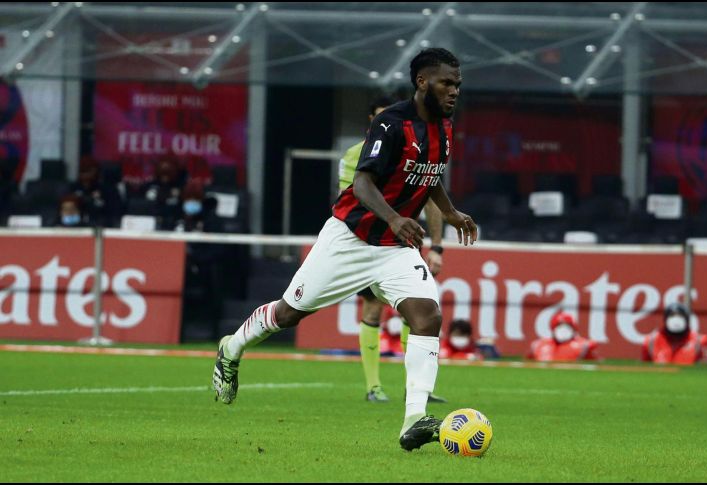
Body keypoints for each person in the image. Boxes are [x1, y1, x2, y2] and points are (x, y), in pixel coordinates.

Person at [212, 47, 473, 452]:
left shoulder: (445, 127)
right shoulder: (391, 123)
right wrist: (394, 217)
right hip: (349, 240)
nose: (454, 90)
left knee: (427, 317)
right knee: (289, 313)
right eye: (446, 82)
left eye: (457, 83)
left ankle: (414, 420)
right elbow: (364, 184)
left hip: (394, 248)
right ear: (423, 82)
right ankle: (232, 347)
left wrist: (450, 211)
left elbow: (431, 173)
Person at [339, 94, 447, 403]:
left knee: (415, 311)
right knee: (373, 307)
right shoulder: (355, 156)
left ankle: (414, 388)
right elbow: (354, 198)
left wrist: (437, 246)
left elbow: (431, 200)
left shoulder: (418, 149)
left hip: (404, 244)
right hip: (370, 242)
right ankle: (373, 387)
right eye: (380, 117)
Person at [642, 302, 707, 365]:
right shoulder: (651, 341)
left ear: (687, 319)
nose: (676, 320)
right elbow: (646, 371)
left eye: (680, 316)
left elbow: (706, 370)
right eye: (672, 316)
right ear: (665, 319)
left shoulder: (699, 341)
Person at [527, 311, 601, 362]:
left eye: (567, 326)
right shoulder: (538, 345)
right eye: (559, 325)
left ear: (573, 328)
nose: (563, 330)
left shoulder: (583, 346)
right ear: (553, 328)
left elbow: (598, 365)